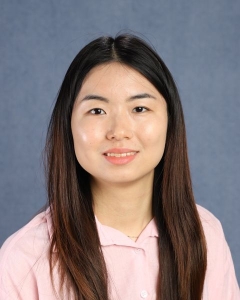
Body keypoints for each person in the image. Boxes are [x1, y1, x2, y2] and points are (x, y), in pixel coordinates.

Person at [0, 34, 239, 300]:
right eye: (97, 111)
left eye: (139, 108)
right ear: (68, 125)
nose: (119, 131)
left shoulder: (205, 233)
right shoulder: (24, 260)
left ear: (170, 122)